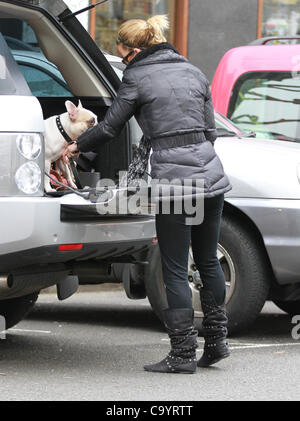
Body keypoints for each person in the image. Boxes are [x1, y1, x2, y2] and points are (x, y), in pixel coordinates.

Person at [64, 15, 233, 374]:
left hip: (176, 183)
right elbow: (210, 130)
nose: (123, 60)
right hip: (212, 175)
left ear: (135, 50)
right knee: (206, 259)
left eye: (122, 54)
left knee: (173, 265)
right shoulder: (193, 70)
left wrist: (76, 146)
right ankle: (217, 342)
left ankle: (183, 354)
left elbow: (110, 127)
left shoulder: (137, 77)